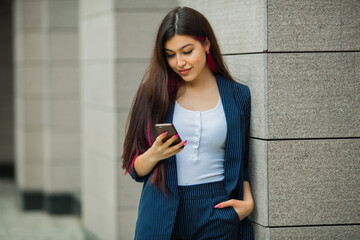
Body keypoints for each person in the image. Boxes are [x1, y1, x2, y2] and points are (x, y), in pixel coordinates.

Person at [122, 6, 254, 240]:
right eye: (170, 54)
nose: (179, 62)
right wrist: (154, 154)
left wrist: (247, 201)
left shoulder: (237, 95)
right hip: (162, 213)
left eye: (187, 51)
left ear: (206, 44)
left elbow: (242, 159)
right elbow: (135, 168)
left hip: (218, 210)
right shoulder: (153, 94)